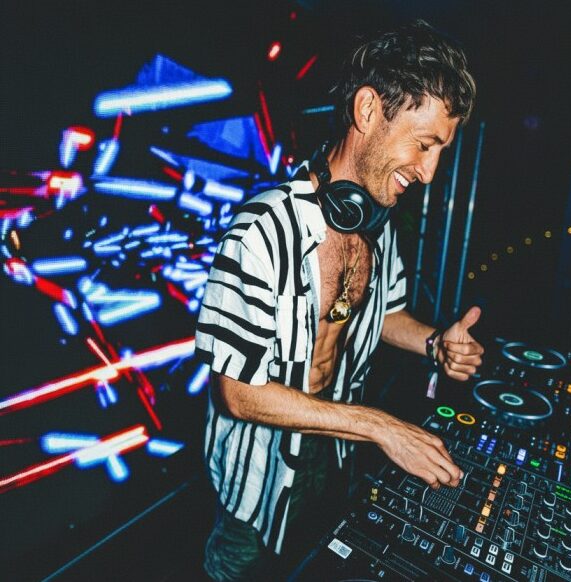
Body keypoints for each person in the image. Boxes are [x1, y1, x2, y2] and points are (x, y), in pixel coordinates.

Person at [195, 19, 483, 581]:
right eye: (424, 145)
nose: (429, 173)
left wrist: (433, 344)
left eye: (439, 152)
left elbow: (381, 314)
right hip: (257, 475)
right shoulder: (261, 231)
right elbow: (235, 392)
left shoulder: (376, 223)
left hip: (332, 455)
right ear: (369, 110)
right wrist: (380, 426)